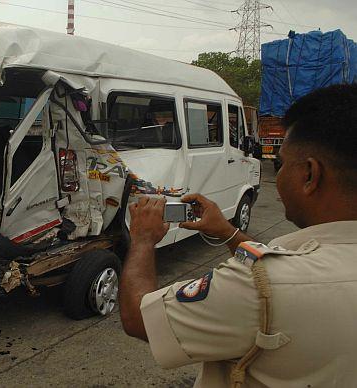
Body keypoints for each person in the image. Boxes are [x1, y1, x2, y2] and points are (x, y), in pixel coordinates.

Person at [118, 83, 357, 388]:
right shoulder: (286, 270)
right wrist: (228, 233)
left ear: (309, 175)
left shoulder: (257, 286)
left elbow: (140, 319)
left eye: (280, 164)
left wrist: (142, 240)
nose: (277, 174)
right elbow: (279, 263)